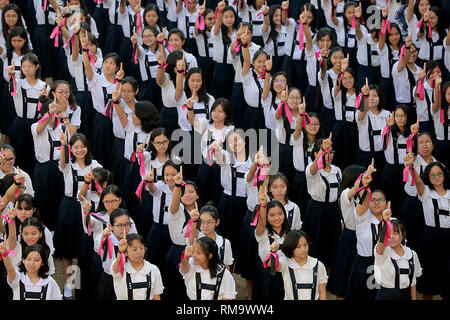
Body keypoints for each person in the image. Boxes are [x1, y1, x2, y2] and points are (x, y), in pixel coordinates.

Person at [53, 132, 102, 300]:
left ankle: (82, 286)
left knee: (82, 248)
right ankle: (68, 285)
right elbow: (62, 160)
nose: (80, 150)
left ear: (87, 147)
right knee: (67, 250)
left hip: (87, 208)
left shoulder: (95, 165)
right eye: (76, 147)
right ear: (71, 150)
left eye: (82, 146)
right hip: (69, 208)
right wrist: (64, 144)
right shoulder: (68, 164)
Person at [403, 158, 450, 300]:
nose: (436, 177)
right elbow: (417, 182)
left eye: (439, 174)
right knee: (429, 275)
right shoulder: (426, 194)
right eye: (432, 175)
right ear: (428, 177)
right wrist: (411, 167)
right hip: (431, 238)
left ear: (445, 175)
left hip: (448, 237)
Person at [346, 164, 385, 301]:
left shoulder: (392, 222)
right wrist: (365, 184)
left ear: (387, 203)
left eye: (380, 200)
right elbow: (363, 202)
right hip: (365, 265)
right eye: (373, 200)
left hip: (384, 266)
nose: (376, 203)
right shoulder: (363, 217)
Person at [303, 133, 342, 270]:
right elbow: (313, 169)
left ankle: (329, 273)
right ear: (316, 154)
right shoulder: (313, 170)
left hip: (333, 211)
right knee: (316, 242)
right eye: (326, 153)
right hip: (316, 211)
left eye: (331, 152)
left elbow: (338, 196)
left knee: (332, 242)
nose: (329, 155)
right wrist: (322, 150)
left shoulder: (337, 170)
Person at [327, 164, 365, 299]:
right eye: (363, 176)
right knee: (344, 279)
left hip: (363, 238)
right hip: (349, 238)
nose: (367, 179)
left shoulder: (365, 194)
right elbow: (350, 193)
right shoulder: (345, 193)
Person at [374, 208, 422, 300]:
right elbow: (380, 244)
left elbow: (413, 283)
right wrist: (385, 221)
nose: (391, 237)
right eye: (388, 233)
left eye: (395, 233)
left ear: (403, 234)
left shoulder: (412, 254)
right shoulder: (383, 252)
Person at [254, 180, 290, 301]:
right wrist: (263, 205)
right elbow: (262, 222)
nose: (277, 218)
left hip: (285, 275)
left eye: (280, 214)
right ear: (267, 218)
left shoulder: (289, 234)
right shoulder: (263, 233)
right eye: (272, 215)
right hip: (266, 275)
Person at [269, 229, 328, 300]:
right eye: (298, 247)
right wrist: (273, 252)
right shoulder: (285, 263)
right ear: (291, 247)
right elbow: (272, 265)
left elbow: (322, 293)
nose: (303, 249)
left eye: (305, 245)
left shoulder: (318, 265)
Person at [93, 207, 133, 300]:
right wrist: (103, 236)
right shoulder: (105, 238)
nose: (124, 229)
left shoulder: (132, 239)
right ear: (111, 226)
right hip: (109, 280)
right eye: (119, 225)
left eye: (127, 224)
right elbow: (97, 247)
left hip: (129, 279)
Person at [111, 232, 164, 300]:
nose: (139, 252)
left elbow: (156, 296)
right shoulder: (122, 267)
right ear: (126, 252)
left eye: (142, 248)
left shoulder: (153, 269)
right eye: (134, 249)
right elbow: (115, 270)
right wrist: (120, 252)